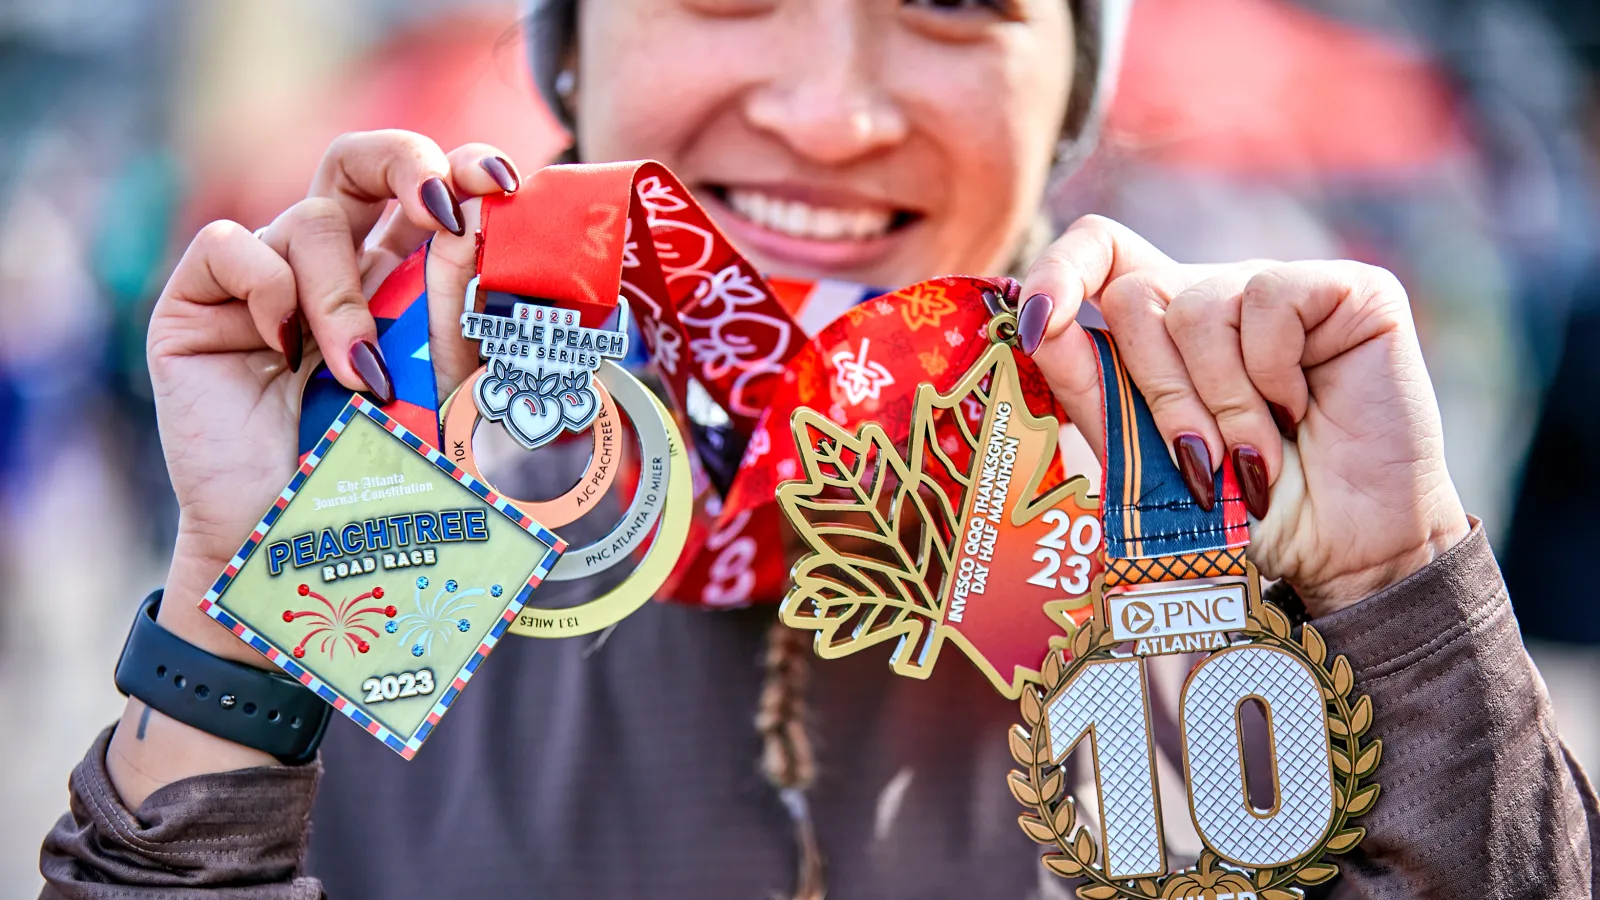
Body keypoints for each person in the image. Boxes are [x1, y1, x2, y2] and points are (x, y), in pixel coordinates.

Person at [40, 1, 1598, 898]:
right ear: (568, 52)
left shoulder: (1182, 498)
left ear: (1072, 96)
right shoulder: (430, 496)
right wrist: (230, 613)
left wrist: (1401, 590)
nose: (835, 114)